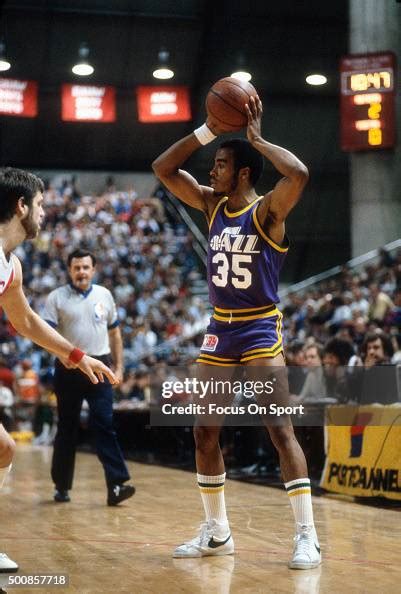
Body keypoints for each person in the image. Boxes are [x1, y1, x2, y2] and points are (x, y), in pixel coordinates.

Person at [152, 96, 321, 569]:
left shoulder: (267, 212)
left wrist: (257, 140)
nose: (211, 170)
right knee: (204, 431)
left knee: (279, 429)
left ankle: (307, 535)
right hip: (218, 330)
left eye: (220, 164)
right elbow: (163, 168)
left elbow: (300, 175)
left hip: (259, 328)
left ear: (243, 173)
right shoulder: (210, 205)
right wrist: (207, 131)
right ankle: (218, 532)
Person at [0, 167, 117, 573]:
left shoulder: (10, 266)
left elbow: (28, 322)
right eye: (40, 205)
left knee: (4, 448)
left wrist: (79, 356)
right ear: (21, 206)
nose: (44, 212)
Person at [43, 249, 135, 506]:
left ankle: (117, 485)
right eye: (77, 267)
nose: (81, 272)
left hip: (100, 365)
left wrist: (119, 367)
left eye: (85, 267)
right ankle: (61, 485)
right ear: (69, 270)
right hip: (68, 368)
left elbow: (115, 334)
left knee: (104, 423)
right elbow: (47, 335)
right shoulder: (56, 298)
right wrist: (59, 355)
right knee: (67, 427)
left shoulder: (105, 295)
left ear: (93, 269)